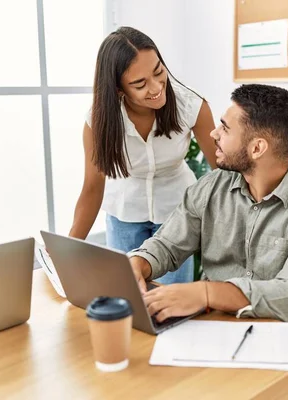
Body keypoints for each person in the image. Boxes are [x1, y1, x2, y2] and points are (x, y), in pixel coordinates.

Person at [128, 84, 288, 332]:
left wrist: (206, 293)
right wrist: (139, 262)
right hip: (212, 331)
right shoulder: (212, 187)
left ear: (257, 148)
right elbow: (168, 245)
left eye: (225, 128)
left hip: (282, 342)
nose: (213, 133)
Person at [68, 27, 217, 285]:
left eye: (159, 71)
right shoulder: (98, 120)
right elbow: (92, 189)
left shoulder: (191, 105)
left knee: (170, 305)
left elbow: (223, 170)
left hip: (176, 214)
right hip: (124, 213)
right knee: (127, 297)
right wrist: (68, 251)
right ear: (117, 89)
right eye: (140, 83)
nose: (157, 87)